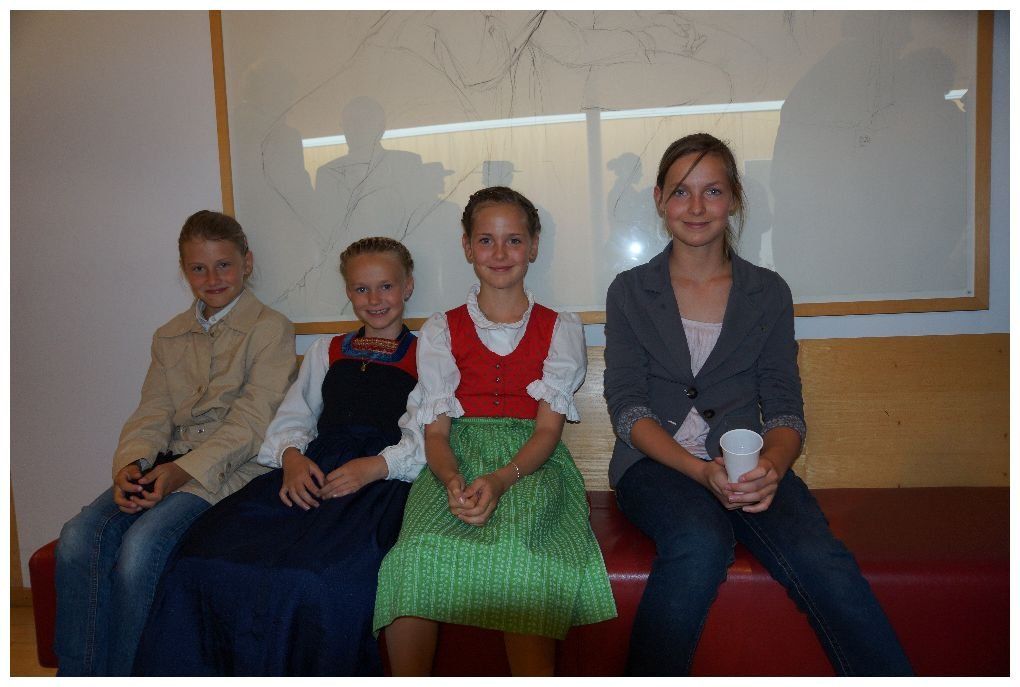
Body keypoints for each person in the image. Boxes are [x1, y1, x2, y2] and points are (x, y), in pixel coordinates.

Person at [603, 133, 913, 676]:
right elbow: (627, 409)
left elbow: (786, 407)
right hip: (656, 465)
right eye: (681, 191)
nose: (696, 207)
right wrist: (700, 472)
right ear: (659, 200)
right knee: (698, 543)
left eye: (713, 190)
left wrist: (773, 466)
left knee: (820, 558)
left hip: (749, 465)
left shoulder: (768, 292)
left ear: (734, 199)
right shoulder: (629, 290)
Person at [133, 237, 421, 676]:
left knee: (317, 579)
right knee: (202, 556)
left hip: (377, 483)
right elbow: (295, 415)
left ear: (408, 286)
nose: (374, 299)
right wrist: (290, 457)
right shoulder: (327, 350)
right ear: (348, 292)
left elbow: (429, 431)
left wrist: (377, 466)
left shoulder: (427, 354)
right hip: (311, 468)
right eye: (361, 289)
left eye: (386, 286)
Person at [373, 186, 617, 677]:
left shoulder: (560, 328)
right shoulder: (442, 329)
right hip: (455, 459)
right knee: (410, 558)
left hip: (529, 465)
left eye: (514, 240)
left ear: (533, 247)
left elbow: (548, 432)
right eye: (486, 240)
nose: (500, 253)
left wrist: (503, 478)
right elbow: (436, 435)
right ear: (467, 247)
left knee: (521, 557)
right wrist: (451, 480)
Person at [53, 210, 297, 676]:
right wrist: (131, 464)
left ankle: (129, 673)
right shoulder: (168, 335)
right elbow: (153, 411)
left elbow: (252, 422)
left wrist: (182, 473)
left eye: (223, 265)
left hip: (229, 470)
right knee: (79, 536)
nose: (212, 278)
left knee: (142, 548)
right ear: (184, 271)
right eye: (198, 268)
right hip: (166, 461)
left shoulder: (270, 327)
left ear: (246, 262)